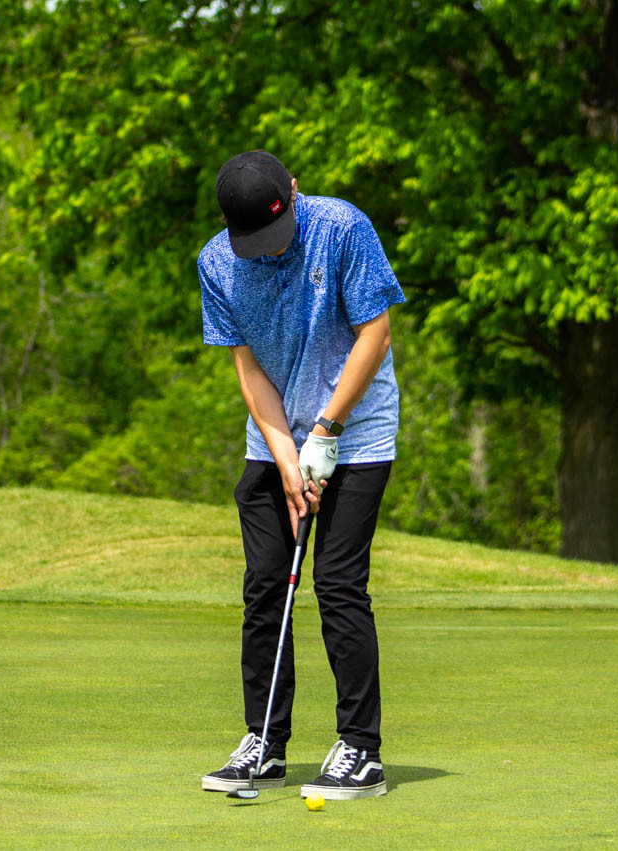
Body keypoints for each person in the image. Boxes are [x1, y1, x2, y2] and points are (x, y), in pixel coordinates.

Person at [197, 150, 405, 800]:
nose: (272, 248)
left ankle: (361, 749)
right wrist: (288, 457)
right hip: (275, 437)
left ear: (294, 190)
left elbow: (376, 334)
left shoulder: (342, 227)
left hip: (358, 432)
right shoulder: (217, 263)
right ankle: (264, 741)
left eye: (278, 230)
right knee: (265, 586)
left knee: (337, 583)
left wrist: (327, 431)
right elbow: (248, 366)